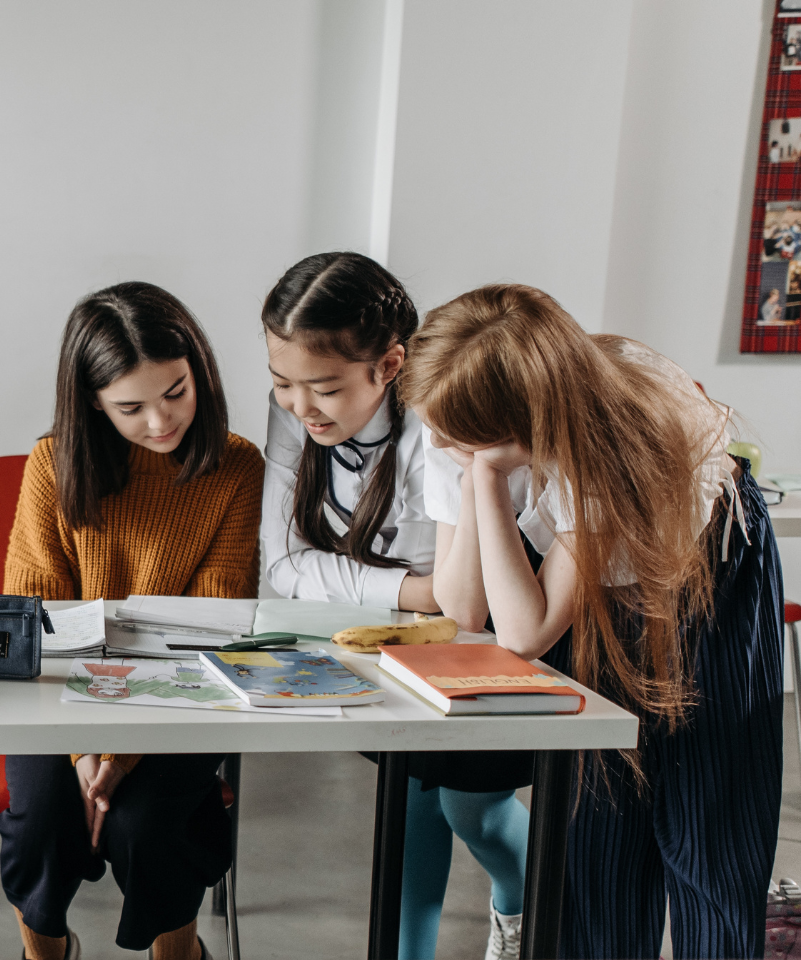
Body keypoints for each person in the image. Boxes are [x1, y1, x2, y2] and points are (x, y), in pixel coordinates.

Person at [404, 284, 780, 960]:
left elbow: (526, 634)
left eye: (457, 437)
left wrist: (485, 479)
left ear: (520, 427)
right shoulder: (462, 417)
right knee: (596, 829)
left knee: (707, 831)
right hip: (591, 588)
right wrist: (479, 472)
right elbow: (464, 610)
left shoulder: (612, 442)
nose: (437, 442)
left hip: (708, 579)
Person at [259, 253, 529, 960]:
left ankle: (521, 905)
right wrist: (415, 591)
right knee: (411, 806)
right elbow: (284, 567)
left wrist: (423, 593)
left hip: (494, 633)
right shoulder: (298, 414)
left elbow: (467, 602)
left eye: (323, 388)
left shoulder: (441, 420)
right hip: (393, 641)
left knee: (473, 811)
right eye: (281, 383)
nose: (298, 407)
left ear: (389, 366)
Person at [0, 282, 263, 960]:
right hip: (56, 697)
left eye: (176, 392)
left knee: (147, 827)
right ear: (92, 400)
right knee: (42, 827)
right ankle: (43, 951)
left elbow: (210, 626)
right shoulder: (51, 466)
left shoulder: (235, 467)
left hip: (183, 693)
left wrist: (120, 756)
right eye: (131, 407)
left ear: (198, 371)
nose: (160, 420)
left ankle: (181, 953)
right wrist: (85, 751)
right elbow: (37, 621)